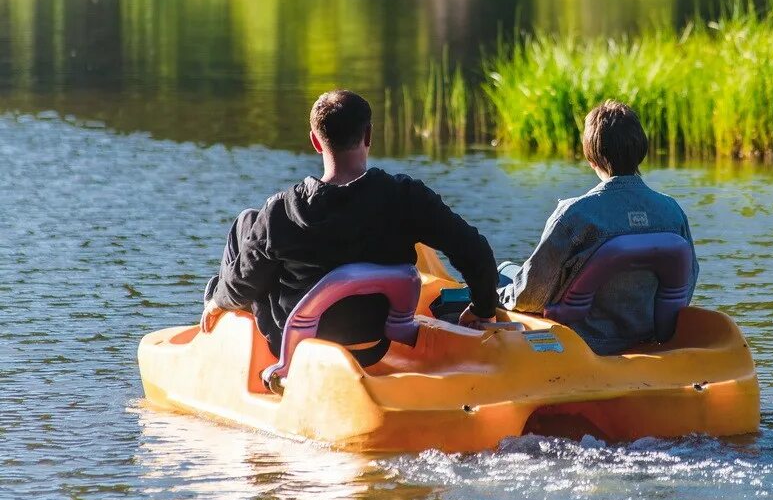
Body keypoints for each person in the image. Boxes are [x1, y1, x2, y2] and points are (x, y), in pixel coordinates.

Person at [200, 89, 498, 355]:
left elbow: (243, 284)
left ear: (315, 141)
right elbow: (476, 252)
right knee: (253, 225)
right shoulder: (407, 198)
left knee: (248, 224)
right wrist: (482, 308)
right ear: (368, 136)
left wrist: (217, 300)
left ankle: (216, 315)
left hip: (298, 347)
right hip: (375, 344)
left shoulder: (281, 211)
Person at [498, 100, 699, 355]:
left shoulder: (575, 215)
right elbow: (687, 282)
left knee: (503, 273)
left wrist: (497, 295)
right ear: (641, 151)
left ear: (591, 158)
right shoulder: (672, 213)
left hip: (584, 344)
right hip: (645, 337)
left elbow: (531, 296)